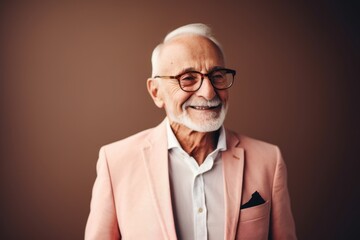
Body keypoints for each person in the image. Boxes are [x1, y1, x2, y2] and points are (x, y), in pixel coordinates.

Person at [85, 23, 297, 240]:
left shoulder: (269, 161)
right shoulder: (116, 162)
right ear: (156, 92)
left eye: (217, 76)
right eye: (188, 78)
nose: (208, 92)